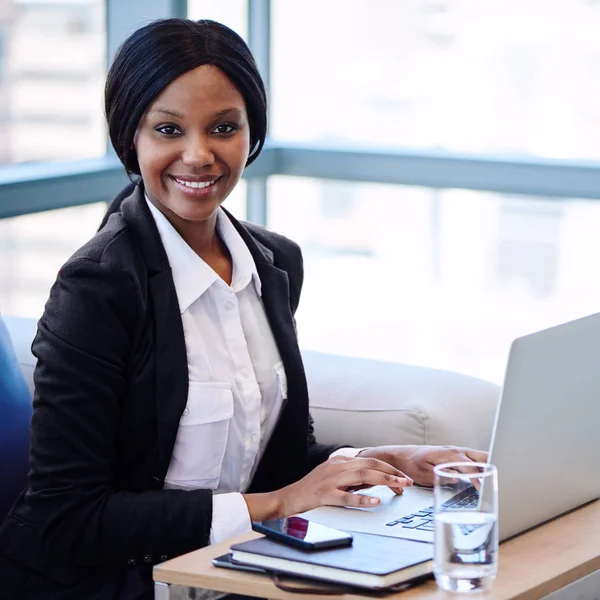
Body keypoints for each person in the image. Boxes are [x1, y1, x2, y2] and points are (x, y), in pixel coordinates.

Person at [0, 18, 487, 600]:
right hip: (111, 585)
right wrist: (278, 504)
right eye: (169, 129)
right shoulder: (96, 288)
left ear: (250, 132)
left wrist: (386, 459)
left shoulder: (275, 263)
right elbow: (69, 518)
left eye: (223, 127)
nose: (199, 155)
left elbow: (269, 458)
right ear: (132, 136)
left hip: (234, 574)